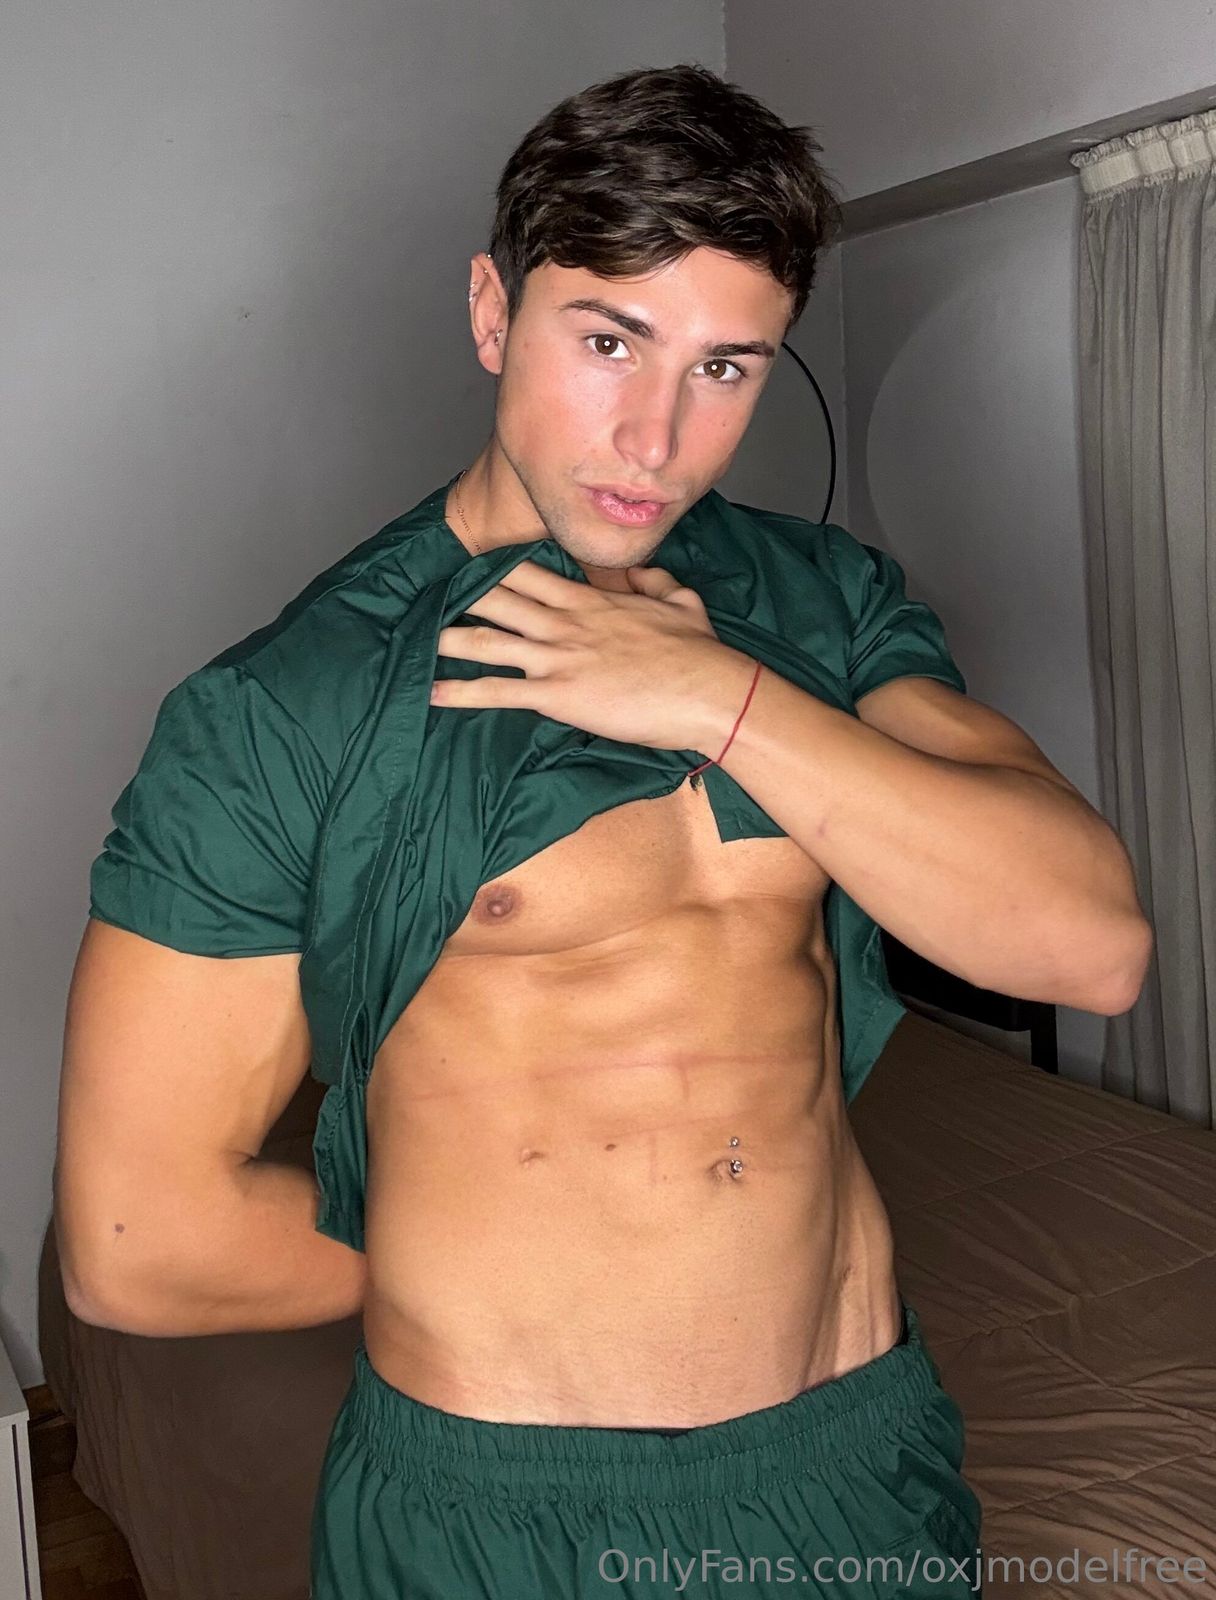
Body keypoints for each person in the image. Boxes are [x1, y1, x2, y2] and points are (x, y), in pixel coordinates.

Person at [56, 62, 1151, 1600]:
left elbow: (1092, 952)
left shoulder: (824, 605)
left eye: (726, 368)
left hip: (854, 1461)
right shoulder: (286, 707)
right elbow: (136, 1242)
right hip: (504, 1516)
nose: (655, 437)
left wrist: (721, 699)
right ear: (492, 313)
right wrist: (497, 1242)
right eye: (608, 340)